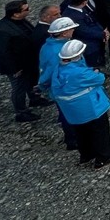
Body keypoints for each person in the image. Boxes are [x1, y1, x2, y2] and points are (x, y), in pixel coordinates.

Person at [51, 39, 110, 169]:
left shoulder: (58, 69)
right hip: (90, 108)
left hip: (72, 110)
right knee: (100, 131)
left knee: (81, 132)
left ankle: (86, 155)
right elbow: (99, 79)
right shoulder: (80, 73)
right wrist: (96, 72)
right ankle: (103, 157)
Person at [0, 0, 54, 123]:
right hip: (16, 66)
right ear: (16, 14)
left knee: (30, 81)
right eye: (26, 9)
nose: (29, 10)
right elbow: (3, 53)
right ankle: (21, 112)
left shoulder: (21, 21)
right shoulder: (1, 31)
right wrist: (14, 69)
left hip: (27, 61)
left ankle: (34, 99)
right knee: (19, 88)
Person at [37, 16, 79, 151]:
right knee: (69, 115)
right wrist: (43, 85)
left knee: (65, 113)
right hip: (65, 88)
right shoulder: (60, 51)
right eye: (71, 29)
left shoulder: (48, 46)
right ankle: (72, 140)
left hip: (60, 88)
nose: (73, 30)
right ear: (64, 33)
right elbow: (51, 73)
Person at [62, 0, 108, 69]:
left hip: (97, 40)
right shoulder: (72, 16)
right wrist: (103, 34)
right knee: (93, 66)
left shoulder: (81, 9)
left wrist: (103, 30)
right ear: (84, 2)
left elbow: (93, 20)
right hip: (88, 47)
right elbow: (84, 31)